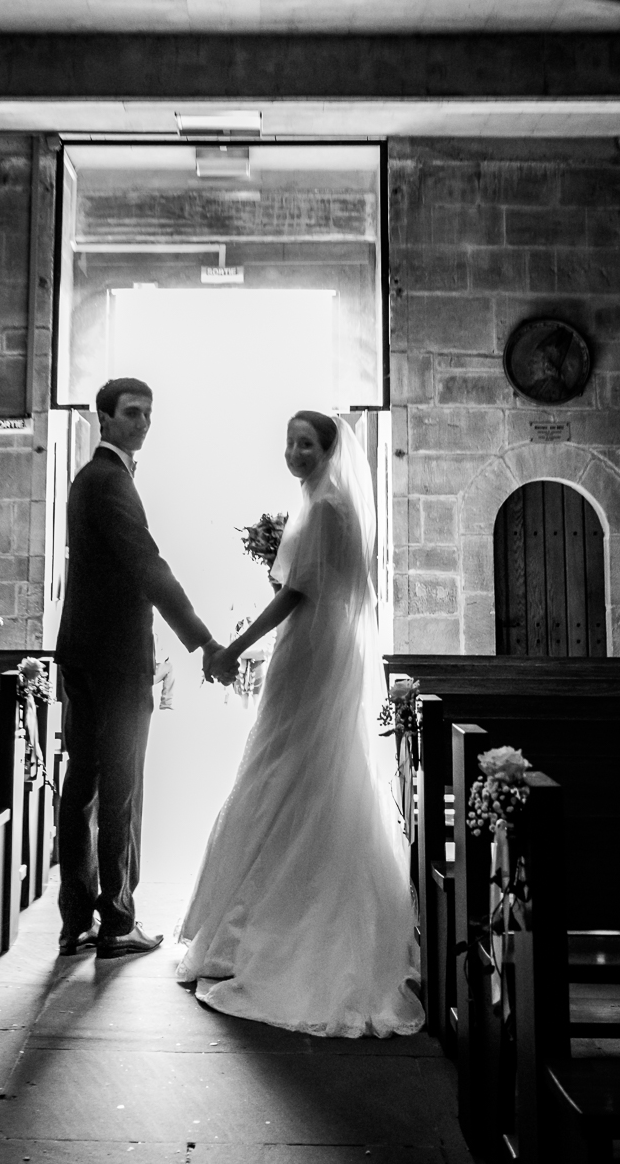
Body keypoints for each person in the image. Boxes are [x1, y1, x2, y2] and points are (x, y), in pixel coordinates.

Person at [176, 410, 424, 1037]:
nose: (294, 453)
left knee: (293, 764)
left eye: (306, 444)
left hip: (312, 649)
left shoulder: (329, 508)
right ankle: (245, 929)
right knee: (295, 765)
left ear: (328, 450)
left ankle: (271, 935)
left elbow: (297, 593)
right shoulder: (321, 503)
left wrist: (235, 645)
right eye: (289, 443)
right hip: (315, 645)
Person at [55, 377, 230, 959]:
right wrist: (201, 639)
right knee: (120, 787)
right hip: (113, 658)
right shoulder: (110, 481)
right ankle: (117, 921)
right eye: (132, 412)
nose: (144, 422)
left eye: (149, 414)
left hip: (81, 650)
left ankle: (76, 917)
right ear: (103, 419)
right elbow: (147, 565)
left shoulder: (90, 479)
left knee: (81, 783)